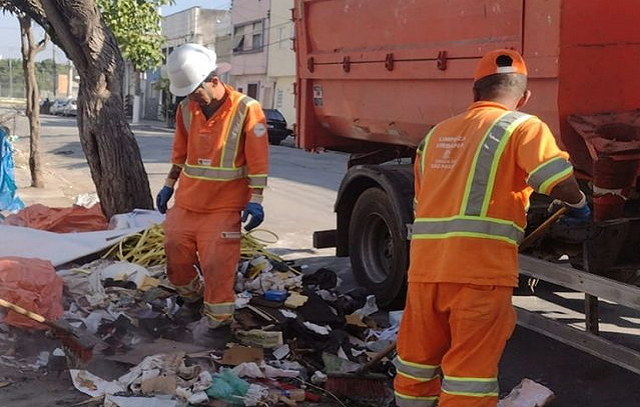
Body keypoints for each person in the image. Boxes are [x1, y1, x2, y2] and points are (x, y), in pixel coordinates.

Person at [393, 49, 590, 407]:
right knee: (468, 377)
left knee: (416, 365)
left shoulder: (435, 135)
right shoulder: (522, 126)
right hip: (479, 274)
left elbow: (423, 204)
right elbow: (557, 182)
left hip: (425, 271)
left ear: (474, 92)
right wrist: (578, 205)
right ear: (525, 96)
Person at [157, 43, 269, 342]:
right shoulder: (186, 109)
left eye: (197, 91)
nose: (194, 98)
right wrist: (169, 184)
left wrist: (256, 199)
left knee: (218, 266)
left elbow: (258, 161)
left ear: (215, 81)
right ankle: (192, 299)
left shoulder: (247, 109)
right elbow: (180, 154)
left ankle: (217, 325)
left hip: (224, 208)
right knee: (174, 253)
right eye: (189, 93)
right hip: (187, 203)